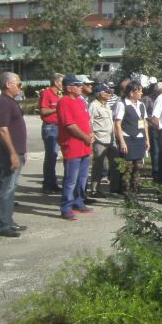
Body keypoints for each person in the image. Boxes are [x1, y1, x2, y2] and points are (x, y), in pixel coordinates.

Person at [0, 72, 27, 238]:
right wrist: (13, 153)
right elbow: (2, 129)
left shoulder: (10, 101)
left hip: (17, 151)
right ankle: (3, 224)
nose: (21, 88)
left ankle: (8, 220)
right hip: (9, 153)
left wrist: (22, 151)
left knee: (11, 188)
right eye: (19, 85)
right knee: (6, 188)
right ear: (8, 85)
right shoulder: (3, 103)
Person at [57, 75, 93, 221]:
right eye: (77, 85)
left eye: (80, 85)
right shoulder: (64, 102)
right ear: (68, 87)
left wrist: (91, 135)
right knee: (71, 179)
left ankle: (79, 202)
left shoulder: (80, 101)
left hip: (85, 146)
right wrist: (85, 136)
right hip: (72, 146)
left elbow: (87, 120)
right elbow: (70, 125)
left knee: (82, 178)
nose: (80, 87)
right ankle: (66, 207)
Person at [114, 81, 150, 195]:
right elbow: (117, 124)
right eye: (138, 90)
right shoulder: (122, 104)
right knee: (127, 167)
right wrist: (122, 142)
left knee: (138, 166)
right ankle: (126, 190)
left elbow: (144, 123)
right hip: (128, 138)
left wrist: (147, 139)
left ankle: (136, 189)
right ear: (131, 93)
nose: (141, 93)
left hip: (139, 138)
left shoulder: (141, 105)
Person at [88, 83, 115, 198]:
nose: (109, 94)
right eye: (106, 92)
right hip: (100, 139)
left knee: (114, 162)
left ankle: (114, 187)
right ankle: (94, 189)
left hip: (110, 138)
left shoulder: (106, 105)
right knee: (98, 165)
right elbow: (89, 121)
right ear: (99, 94)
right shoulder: (94, 105)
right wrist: (91, 136)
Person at [39, 73, 63, 194]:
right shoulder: (47, 93)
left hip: (59, 127)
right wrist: (57, 108)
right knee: (50, 156)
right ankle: (47, 184)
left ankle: (53, 183)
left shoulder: (59, 94)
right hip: (50, 127)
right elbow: (43, 111)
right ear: (56, 82)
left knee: (54, 156)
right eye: (62, 82)